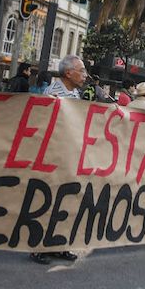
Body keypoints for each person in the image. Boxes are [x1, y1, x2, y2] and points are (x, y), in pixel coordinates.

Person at [31, 55, 87, 265]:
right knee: (47, 202)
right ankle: (40, 247)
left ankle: (60, 244)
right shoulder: (53, 92)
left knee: (67, 200)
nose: (84, 75)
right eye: (81, 70)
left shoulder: (75, 93)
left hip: (70, 156)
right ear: (68, 73)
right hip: (53, 155)